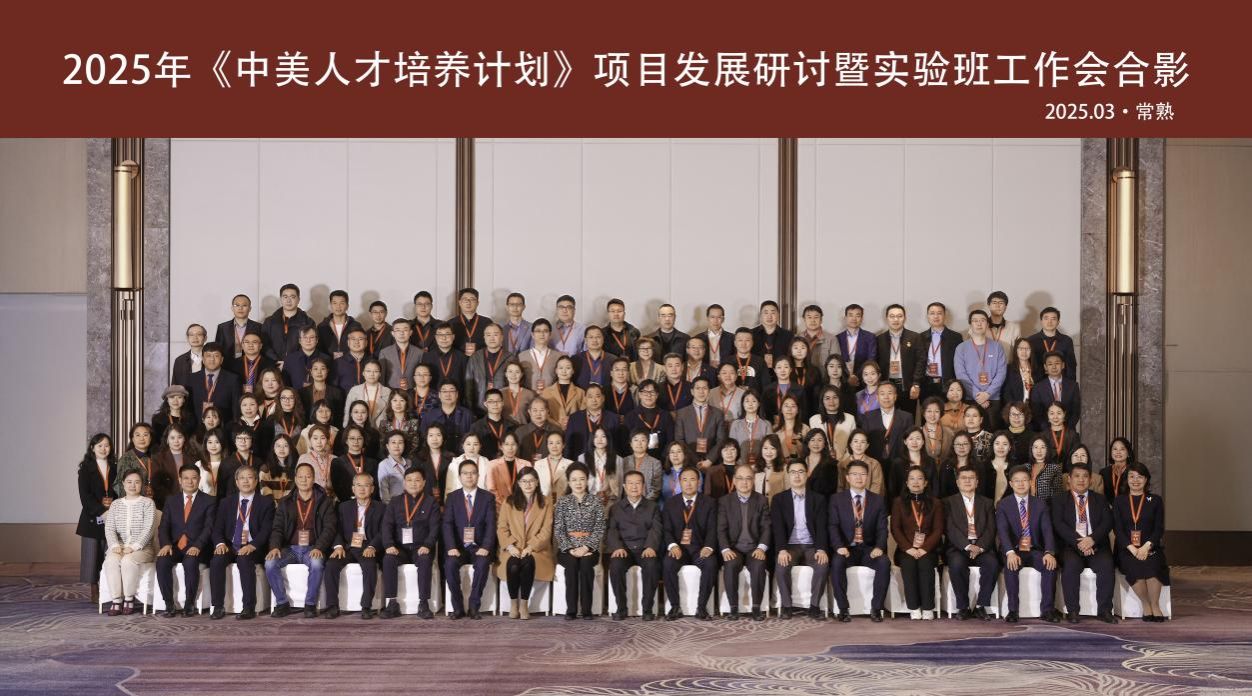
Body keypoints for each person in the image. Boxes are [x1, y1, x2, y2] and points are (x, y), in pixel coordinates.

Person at [265, 462, 336, 618]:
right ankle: (282, 604)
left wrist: (319, 547)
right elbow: (277, 528)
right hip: (290, 549)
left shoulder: (324, 501)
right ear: (295, 479)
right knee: (270, 563)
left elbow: (329, 528)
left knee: (317, 564)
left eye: (308, 476)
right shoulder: (285, 502)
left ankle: (310, 605)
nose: (304, 480)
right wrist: (275, 546)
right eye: (301, 477)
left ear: (313, 478)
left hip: (312, 548)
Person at [207, 465, 275, 620]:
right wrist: (220, 544)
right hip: (230, 545)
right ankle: (218, 606)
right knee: (217, 561)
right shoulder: (226, 502)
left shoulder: (266, 502)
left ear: (256, 481)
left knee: (244, 560)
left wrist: (252, 545)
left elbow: (267, 530)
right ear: (236, 482)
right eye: (242, 478)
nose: (246, 481)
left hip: (253, 546)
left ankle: (248, 607)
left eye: (250, 477)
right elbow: (217, 528)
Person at [1052, 463, 1117, 624]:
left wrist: (1091, 539)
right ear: (1069, 479)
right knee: (1071, 566)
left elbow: (1107, 522)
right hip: (1071, 546)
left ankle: (1105, 610)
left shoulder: (1100, 499)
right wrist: (1080, 543)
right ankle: (1073, 611)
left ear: (1090, 480)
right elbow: (1059, 525)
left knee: (1107, 565)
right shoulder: (1059, 500)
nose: (1081, 480)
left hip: (1097, 544)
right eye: (1077, 476)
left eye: (1085, 476)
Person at [995, 465, 1061, 623]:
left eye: (1024, 480)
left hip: (1034, 549)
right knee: (1011, 566)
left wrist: (1049, 552)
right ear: (1011, 484)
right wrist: (1010, 552)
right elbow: (1002, 531)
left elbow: (1047, 530)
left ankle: (1047, 610)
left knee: (1049, 566)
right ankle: (1013, 610)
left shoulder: (1040, 504)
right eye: (1017, 481)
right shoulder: (1003, 504)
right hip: (1014, 550)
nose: (1021, 484)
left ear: (1031, 482)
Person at [829, 460, 890, 622]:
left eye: (863, 474)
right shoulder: (837, 499)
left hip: (868, 549)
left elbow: (882, 528)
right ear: (847, 478)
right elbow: (833, 526)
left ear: (867, 477)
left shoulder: (877, 500)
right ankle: (843, 609)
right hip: (847, 549)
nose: (859, 478)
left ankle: (876, 608)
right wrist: (838, 546)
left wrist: (879, 547)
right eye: (855, 474)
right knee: (837, 563)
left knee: (884, 562)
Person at [378, 465, 441, 620]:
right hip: (400, 548)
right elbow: (386, 526)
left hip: (422, 547)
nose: (413, 483)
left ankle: (423, 604)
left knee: (425, 560)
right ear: (404, 483)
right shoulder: (395, 502)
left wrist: (427, 545)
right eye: (409, 480)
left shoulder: (431, 502)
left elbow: (435, 528)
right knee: (388, 559)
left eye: (417, 480)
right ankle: (392, 603)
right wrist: (389, 545)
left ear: (424, 482)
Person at [156, 464, 216, 617]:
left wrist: (198, 545)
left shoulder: (209, 501)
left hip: (198, 546)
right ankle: (169, 604)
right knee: (162, 561)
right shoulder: (171, 501)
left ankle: (189, 604)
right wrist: (166, 544)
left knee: (190, 561)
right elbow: (163, 526)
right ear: (180, 480)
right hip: (175, 546)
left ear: (199, 479)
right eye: (186, 478)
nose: (190, 482)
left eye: (194, 478)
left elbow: (209, 528)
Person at [322, 473, 385, 619]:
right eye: (358, 485)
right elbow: (335, 529)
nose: (362, 489)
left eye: (366, 485)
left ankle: (366, 606)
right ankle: (332, 606)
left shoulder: (381, 508)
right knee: (331, 565)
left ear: (372, 489)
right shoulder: (343, 507)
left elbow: (384, 532)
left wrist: (373, 547)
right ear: (353, 488)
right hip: (347, 547)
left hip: (368, 547)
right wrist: (338, 546)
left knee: (370, 566)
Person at [771, 460, 828, 619]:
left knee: (822, 565)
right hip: (790, 546)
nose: (797, 476)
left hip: (811, 546)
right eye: (793, 472)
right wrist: (782, 549)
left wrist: (821, 549)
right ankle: (787, 606)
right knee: (781, 566)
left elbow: (822, 527)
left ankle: (814, 606)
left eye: (801, 472)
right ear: (788, 475)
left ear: (807, 474)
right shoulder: (779, 499)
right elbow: (777, 528)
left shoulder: (818, 499)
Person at [495, 466, 554, 620]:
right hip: (513, 547)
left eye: (531, 481)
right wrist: (510, 546)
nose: (528, 484)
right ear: (518, 483)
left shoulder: (546, 502)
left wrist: (531, 546)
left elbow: (546, 530)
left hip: (537, 549)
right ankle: (513, 603)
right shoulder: (509, 502)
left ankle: (524, 604)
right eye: (524, 481)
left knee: (528, 563)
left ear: (537, 482)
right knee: (513, 565)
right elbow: (502, 528)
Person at [943, 466, 1000, 620]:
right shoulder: (948, 502)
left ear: (977, 482)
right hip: (958, 547)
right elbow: (950, 528)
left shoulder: (987, 502)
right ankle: (963, 607)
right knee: (956, 565)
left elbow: (991, 528)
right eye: (964, 478)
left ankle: (981, 606)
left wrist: (979, 547)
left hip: (982, 547)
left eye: (971, 478)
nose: (967, 481)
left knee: (992, 564)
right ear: (957, 482)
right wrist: (967, 546)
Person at [1113, 463, 1169, 621]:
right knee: (1134, 566)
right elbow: (1118, 529)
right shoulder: (1119, 501)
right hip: (1127, 549)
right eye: (1131, 476)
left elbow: (1159, 528)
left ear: (1146, 480)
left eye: (1140, 477)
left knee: (1153, 564)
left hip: (1150, 546)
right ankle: (1146, 605)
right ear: (1126, 480)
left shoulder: (1155, 500)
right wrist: (1132, 549)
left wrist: (1146, 547)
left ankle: (1155, 605)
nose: (1135, 480)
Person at [441, 460, 497, 619]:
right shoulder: (452, 497)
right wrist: (451, 547)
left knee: (483, 564)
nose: (469, 476)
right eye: (465, 473)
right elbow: (447, 524)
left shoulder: (487, 497)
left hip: (479, 547)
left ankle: (474, 606)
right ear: (459, 477)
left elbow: (491, 524)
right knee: (449, 565)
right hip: (458, 548)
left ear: (478, 476)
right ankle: (458, 607)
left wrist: (486, 546)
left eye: (473, 473)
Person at [661, 466, 718, 620]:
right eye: (684, 480)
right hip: (679, 550)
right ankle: (675, 607)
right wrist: (672, 545)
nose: (688, 483)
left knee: (711, 563)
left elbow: (713, 528)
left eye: (692, 479)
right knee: (668, 563)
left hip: (700, 549)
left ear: (699, 482)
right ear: (679, 482)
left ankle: (702, 608)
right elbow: (666, 529)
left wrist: (708, 547)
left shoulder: (709, 503)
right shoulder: (670, 503)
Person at [606, 470, 663, 620]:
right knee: (615, 566)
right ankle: (621, 608)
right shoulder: (616, 508)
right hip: (624, 550)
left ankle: (647, 609)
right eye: (630, 483)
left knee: (652, 566)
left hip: (645, 549)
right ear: (624, 486)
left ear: (643, 486)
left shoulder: (652, 506)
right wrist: (617, 547)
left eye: (638, 483)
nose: (634, 487)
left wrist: (650, 546)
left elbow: (656, 529)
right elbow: (611, 530)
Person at [717, 463, 770, 621]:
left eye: (748, 478)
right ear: (734, 480)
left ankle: (756, 608)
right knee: (730, 564)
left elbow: (767, 527)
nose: (744, 482)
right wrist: (725, 549)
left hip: (754, 547)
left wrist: (761, 548)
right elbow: (721, 529)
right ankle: (733, 608)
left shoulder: (761, 500)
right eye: (740, 478)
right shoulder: (725, 501)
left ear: (753, 480)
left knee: (759, 565)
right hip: (734, 548)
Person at [890, 466, 945, 620]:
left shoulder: (936, 503)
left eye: (920, 478)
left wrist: (924, 549)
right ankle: (914, 607)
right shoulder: (898, 502)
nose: (916, 482)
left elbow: (938, 529)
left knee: (925, 564)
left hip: (929, 549)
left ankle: (927, 607)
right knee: (908, 565)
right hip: (905, 550)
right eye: (912, 479)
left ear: (925, 482)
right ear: (906, 483)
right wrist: (908, 548)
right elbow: (895, 528)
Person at [553, 464, 606, 620]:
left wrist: (586, 547)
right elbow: (559, 529)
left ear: (587, 481)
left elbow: (599, 527)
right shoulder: (562, 502)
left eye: (582, 479)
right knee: (571, 565)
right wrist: (570, 549)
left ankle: (587, 609)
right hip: (567, 549)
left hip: (590, 549)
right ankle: (571, 609)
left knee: (586, 565)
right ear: (569, 482)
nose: (578, 483)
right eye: (574, 480)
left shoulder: (596, 501)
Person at [100, 469, 155, 615]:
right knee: (111, 561)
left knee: (128, 561)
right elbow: (109, 528)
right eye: (129, 482)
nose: (132, 485)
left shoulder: (148, 503)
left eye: (137, 482)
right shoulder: (116, 504)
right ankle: (116, 600)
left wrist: (134, 547)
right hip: (119, 547)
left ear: (142, 484)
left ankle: (129, 598)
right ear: (123, 484)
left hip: (143, 549)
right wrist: (114, 545)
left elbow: (149, 528)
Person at [78, 434, 116, 599]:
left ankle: (109, 587)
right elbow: (85, 496)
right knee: (92, 555)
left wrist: (113, 508)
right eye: (99, 445)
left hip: (112, 515)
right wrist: (101, 510)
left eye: (107, 445)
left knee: (110, 554)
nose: (103, 449)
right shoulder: (85, 469)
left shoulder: (115, 467)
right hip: (92, 516)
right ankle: (94, 588)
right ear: (92, 448)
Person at [955, 310, 1007, 429]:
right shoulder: (961, 348)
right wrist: (977, 395)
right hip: (970, 398)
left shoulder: (997, 347)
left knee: (992, 431)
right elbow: (961, 374)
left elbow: (1001, 373)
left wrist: (988, 394)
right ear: (970, 325)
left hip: (993, 398)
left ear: (987, 324)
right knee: (971, 432)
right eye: (975, 321)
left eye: (982, 320)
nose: (979, 324)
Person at [876, 304, 924, 416]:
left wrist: (916, 383)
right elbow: (876, 363)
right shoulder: (879, 339)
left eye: (899, 316)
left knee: (908, 419)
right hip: (887, 387)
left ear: (905, 318)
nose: (896, 319)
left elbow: (921, 361)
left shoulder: (915, 337)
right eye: (892, 316)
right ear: (886, 318)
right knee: (888, 419)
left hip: (908, 387)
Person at [673, 377, 727, 469]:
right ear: (692, 391)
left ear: (709, 391)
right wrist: (695, 461)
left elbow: (721, 440)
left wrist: (710, 460)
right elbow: (679, 439)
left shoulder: (718, 413)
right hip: (689, 462)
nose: (701, 391)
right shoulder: (682, 413)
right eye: (698, 388)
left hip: (712, 463)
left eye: (704, 388)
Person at [917, 302, 963, 403]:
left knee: (947, 411)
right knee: (928, 411)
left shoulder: (955, 337)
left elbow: (960, 363)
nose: (936, 316)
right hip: (926, 384)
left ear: (944, 315)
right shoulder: (920, 337)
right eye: (932, 313)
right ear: (927, 316)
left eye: (939, 313)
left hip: (948, 384)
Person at [464, 322, 512, 411]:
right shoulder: (475, 357)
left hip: (502, 407)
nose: (492, 338)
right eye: (488, 335)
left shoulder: (510, 358)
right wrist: (470, 409)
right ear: (484, 338)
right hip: (479, 407)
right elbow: (468, 386)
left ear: (502, 337)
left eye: (495, 335)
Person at [261, 283, 315, 363]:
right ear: (281, 299)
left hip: (299, 364)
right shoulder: (270, 322)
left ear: (298, 299)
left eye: (292, 297)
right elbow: (264, 344)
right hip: (274, 365)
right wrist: (276, 361)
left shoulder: (308, 322)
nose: (288, 300)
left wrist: (290, 363)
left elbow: (310, 345)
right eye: (285, 297)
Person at [861, 382, 913, 464]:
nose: (886, 397)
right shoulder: (868, 416)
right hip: (874, 464)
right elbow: (864, 440)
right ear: (877, 397)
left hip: (900, 464)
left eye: (890, 393)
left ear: (895, 396)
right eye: (882, 394)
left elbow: (910, 442)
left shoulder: (907, 417)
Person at [114, 423, 168, 501]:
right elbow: (120, 486)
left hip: (155, 501)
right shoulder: (126, 459)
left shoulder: (155, 457)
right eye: (138, 435)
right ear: (132, 439)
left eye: (145, 435)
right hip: (133, 502)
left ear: (150, 438)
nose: (142, 439)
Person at [623, 380, 674, 461]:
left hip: (661, 458)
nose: (649, 395)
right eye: (645, 392)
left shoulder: (666, 415)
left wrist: (663, 457)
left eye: (652, 392)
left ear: (657, 395)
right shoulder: (630, 416)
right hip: (637, 458)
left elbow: (670, 439)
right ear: (639, 395)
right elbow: (626, 440)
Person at [563, 383, 617, 459]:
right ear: (585, 399)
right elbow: (568, 445)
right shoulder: (574, 418)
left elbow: (616, 445)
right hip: (580, 462)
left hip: (606, 462)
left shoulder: (613, 418)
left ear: (603, 398)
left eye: (597, 396)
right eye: (590, 397)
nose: (594, 400)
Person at [190, 343, 242, 422]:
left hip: (223, 426)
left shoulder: (233, 379)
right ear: (203, 359)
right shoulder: (192, 379)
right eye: (208, 356)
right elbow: (188, 408)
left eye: (216, 356)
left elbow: (236, 409)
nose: (212, 359)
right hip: (198, 427)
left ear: (222, 360)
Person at [1031, 351, 1082, 430]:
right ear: (1045, 367)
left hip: (1068, 431)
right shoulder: (1037, 388)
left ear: (1063, 365)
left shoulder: (1073, 386)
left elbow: (1076, 412)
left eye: (1057, 363)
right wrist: (1049, 430)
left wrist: (1066, 429)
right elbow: (1037, 413)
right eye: (1050, 364)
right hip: (1046, 432)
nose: (1054, 367)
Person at [887, 427, 937, 506]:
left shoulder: (930, 462)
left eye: (918, 438)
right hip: (903, 505)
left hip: (927, 504)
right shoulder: (897, 463)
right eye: (911, 439)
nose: (914, 442)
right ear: (905, 441)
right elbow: (892, 489)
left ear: (923, 441)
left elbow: (935, 487)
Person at [331, 425, 380, 502]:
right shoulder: (337, 462)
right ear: (346, 440)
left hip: (369, 503)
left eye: (359, 438)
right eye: (352, 438)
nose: (356, 442)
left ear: (364, 440)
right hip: (346, 503)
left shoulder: (373, 463)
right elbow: (338, 488)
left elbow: (375, 486)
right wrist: (352, 503)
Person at [1026, 306, 1077, 380]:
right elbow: (1027, 364)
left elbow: (1071, 366)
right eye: (1046, 318)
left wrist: (1070, 384)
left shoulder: (1066, 340)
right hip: (1038, 382)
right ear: (1041, 321)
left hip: (1060, 382)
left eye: (1053, 319)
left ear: (1058, 322)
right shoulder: (1031, 340)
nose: (1049, 322)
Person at [420, 381, 474, 451]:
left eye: (451, 391)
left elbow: (473, 439)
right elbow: (423, 438)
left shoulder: (467, 415)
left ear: (457, 394)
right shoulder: (429, 416)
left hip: (462, 455)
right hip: (438, 455)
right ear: (439, 395)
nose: (448, 394)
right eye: (444, 391)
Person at [836, 304, 877, 391]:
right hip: (843, 381)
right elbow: (836, 360)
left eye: (857, 315)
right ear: (845, 318)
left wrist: (856, 377)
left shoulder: (870, 337)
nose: (854, 319)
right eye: (850, 315)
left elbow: (871, 360)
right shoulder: (838, 338)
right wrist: (847, 377)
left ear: (861, 318)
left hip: (864, 380)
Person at [580, 426, 622, 507]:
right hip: (588, 503)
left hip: (610, 502)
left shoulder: (617, 459)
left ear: (608, 439)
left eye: (603, 436)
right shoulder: (583, 458)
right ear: (592, 439)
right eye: (596, 436)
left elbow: (620, 485)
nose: (599, 440)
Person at [809, 386, 856, 460]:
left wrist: (844, 461)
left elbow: (853, 443)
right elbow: (812, 444)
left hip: (845, 461)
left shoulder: (850, 419)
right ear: (822, 401)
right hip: (821, 460)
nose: (831, 401)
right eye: (827, 398)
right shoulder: (814, 420)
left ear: (840, 399)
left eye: (835, 397)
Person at [378, 318, 423, 392]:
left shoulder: (419, 352)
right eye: (398, 330)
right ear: (393, 333)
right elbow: (381, 377)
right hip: (391, 393)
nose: (402, 333)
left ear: (410, 332)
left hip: (413, 392)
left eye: (405, 330)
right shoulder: (384, 353)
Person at [343, 358, 390, 427]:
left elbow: (390, 414)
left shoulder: (387, 391)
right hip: (358, 429)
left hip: (381, 430)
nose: (372, 374)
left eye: (376, 371)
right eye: (368, 371)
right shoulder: (354, 390)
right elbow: (347, 412)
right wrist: (347, 428)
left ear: (380, 374)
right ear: (363, 373)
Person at [298, 357, 345, 426]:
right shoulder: (302, 392)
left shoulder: (337, 393)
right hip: (308, 429)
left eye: (323, 369)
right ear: (311, 372)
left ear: (327, 371)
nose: (319, 372)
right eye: (315, 369)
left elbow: (339, 417)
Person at [282, 326, 331, 391]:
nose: (308, 340)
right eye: (305, 337)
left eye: (312, 337)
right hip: (296, 396)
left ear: (317, 340)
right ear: (299, 340)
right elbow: (285, 383)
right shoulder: (290, 359)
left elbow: (330, 383)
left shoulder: (326, 359)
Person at [519, 319, 562, 392]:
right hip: (528, 396)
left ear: (550, 334)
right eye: (538, 331)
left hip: (551, 396)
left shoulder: (558, 356)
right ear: (532, 335)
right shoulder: (521, 356)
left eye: (545, 331)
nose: (542, 334)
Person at [837, 429, 884, 496]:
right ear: (850, 444)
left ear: (867, 445)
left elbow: (877, 488)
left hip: (870, 501)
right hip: (847, 501)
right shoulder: (842, 465)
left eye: (863, 442)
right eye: (856, 441)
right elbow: (840, 488)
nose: (859, 445)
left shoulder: (874, 464)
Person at [422, 324, 468, 392]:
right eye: (440, 335)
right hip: (433, 397)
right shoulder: (427, 357)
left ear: (453, 337)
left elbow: (466, 382)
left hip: (456, 396)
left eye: (447, 334)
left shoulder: (462, 357)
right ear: (435, 337)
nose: (444, 338)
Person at [621, 429, 664, 501]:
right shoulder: (623, 461)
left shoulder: (655, 463)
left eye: (643, 440)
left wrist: (644, 503)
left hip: (647, 503)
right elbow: (620, 485)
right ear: (631, 443)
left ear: (648, 443)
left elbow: (656, 488)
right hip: (626, 503)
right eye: (636, 440)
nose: (639, 443)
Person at [751, 300, 794, 368]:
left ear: (778, 315)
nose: (769, 316)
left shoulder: (788, 335)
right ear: (760, 315)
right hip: (757, 372)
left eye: (773, 313)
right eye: (766, 313)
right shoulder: (751, 334)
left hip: (781, 372)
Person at [763, 356, 806, 423]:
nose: (782, 370)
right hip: (774, 425)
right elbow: (765, 411)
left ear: (790, 369)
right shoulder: (768, 390)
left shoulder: (799, 389)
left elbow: (804, 412)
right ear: (775, 370)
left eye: (786, 367)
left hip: (794, 424)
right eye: (779, 367)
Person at [798, 304, 840, 371]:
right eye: (809, 317)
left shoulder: (832, 339)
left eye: (816, 317)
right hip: (802, 376)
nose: (813, 320)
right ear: (804, 319)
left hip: (823, 376)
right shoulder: (797, 338)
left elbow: (836, 363)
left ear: (821, 320)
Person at [298, 424, 336, 495]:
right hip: (312, 497)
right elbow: (300, 482)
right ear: (310, 440)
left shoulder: (335, 459)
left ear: (327, 440)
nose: (319, 442)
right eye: (315, 438)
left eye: (323, 438)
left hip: (332, 498)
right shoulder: (304, 458)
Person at [449, 287, 490, 354]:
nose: (468, 302)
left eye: (472, 299)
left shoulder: (487, 322)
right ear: (459, 303)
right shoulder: (451, 323)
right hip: (458, 359)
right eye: (465, 299)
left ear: (477, 303)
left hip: (481, 358)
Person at [1027, 435, 1064, 505]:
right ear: (1031, 449)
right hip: (1027, 506)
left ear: (1047, 449)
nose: (1039, 451)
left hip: (1046, 506)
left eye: (1043, 447)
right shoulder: (1025, 468)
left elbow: (1058, 494)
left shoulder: (1054, 468)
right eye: (1036, 447)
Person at [1001, 337, 1038, 406]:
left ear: (1031, 351)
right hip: (1015, 408)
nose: (1024, 352)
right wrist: (1014, 407)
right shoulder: (1009, 369)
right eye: (1021, 348)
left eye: (1027, 349)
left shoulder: (1037, 370)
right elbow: (1006, 392)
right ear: (1016, 350)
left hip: (1034, 408)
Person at [730, 327, 768, 393]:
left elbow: (766, 386)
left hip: (754, 398)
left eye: (747, 340)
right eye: (740, 340)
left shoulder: (760, 362)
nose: (743, 344)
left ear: (752, 343)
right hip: (732, 398)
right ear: (735, 343)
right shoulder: (727, 361)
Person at [574, 325, 612, 390]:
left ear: (603, 339)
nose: (594, 340)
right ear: (585, 340)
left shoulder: (612, 360)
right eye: (591, 337)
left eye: (598, 337)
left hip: (606, 395)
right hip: (582, 395)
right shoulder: (576, 359)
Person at [752, 435, 789, 501]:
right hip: (758, 506)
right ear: (761, 449)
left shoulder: (785, 468)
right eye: (765, 448)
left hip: (777, 505)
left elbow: (789, 491)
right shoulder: (754, 468)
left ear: (778, 450)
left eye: (773, 448)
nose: (769, 452)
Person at [501, 360, 538, 425]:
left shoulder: (529, 394)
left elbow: (534, 416)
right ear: (506, 374)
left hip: (524, 429)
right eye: (510, 371)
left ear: (521, 374)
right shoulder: (500, 393)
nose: (513, 375)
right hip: (504, 429)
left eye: (517, 372)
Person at [918, 397, 954, 462]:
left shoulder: (949, 432)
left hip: (943, 467)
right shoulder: (917, 432)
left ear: (941, 414)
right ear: (923, 413)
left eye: (936, 411)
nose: (932, 415)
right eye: (929, 411)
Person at [772, 394, 808, 460]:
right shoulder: (774, 430)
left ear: (797, 410)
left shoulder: (805, 429)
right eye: (786, 406)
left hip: (800, 465)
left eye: (793, 406)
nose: (789, 409)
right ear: (781, 410)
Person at [173, 323, 209, 389]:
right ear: (187, 338)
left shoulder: (212, 358)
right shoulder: (180, 361)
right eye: (191, 335)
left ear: (205, 338)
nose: (195, 338)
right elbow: (175, 386)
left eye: (199, 334)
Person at [193, 428, 227, 497]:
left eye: (217, 442)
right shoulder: (199, 465)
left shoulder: (229, 464)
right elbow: (194, 489)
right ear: (205, 444)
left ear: (222, 443)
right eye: (210, 442)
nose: (213, 445)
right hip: (204, 501)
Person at [261, 435, 296, 501]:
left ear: (290, 448)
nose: (281, 449)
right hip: (271, 505)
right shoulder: (265, 469)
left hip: (290, 505)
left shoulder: (296, 468)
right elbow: (265, 492)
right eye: (278, 446)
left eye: (285, 446)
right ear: (273, 448)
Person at [701, 303, 736, 368]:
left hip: (725, 373)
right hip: (705, 372)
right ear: (707, 318)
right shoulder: (699, 338)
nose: (715, 321)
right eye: (712, 317)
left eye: (719, 317)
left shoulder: (732, 338)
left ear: (723, 319)